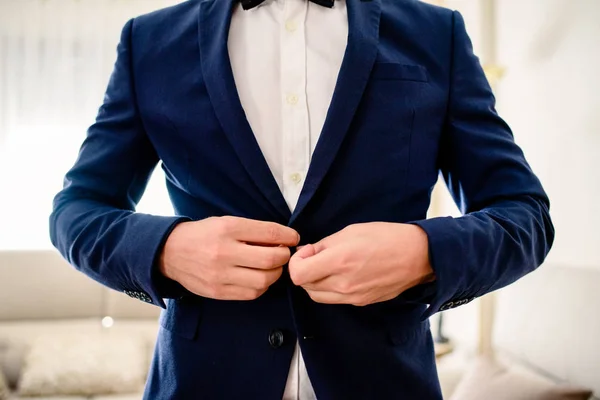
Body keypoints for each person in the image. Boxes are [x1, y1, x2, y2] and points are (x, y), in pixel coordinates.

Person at [49, 0, 554, 398]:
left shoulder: (435, 33)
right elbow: (76, 211)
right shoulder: (149, 42)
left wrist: (423, 253)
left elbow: (524, 216)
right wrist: (167, 249)